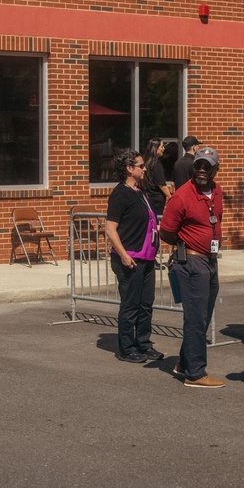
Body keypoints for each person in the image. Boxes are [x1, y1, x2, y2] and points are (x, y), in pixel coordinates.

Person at [160, 146, 225, 388]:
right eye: (198, 165)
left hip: (210, 260)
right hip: (191, 262)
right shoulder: (181, 196)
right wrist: (184, 247)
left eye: (207, 166)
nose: (201, 170)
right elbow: (166, 231)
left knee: (204, 315)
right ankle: (195, 374)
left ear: (215, 169)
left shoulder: (216, 191)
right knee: (196, 318)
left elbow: (216, 220)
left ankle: (185, 363)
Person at [105, 150, 163, 364]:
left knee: (146, 303)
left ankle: (144, 344)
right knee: (130, 304)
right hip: (130, 258)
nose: (144, 168)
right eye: (140, 165)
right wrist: (123, 254)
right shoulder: (121, 193)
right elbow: (111, 229)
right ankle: (126, 348)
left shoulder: (140, 192)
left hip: (146, 257)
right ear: (129, 168)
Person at [141, 138, 173, 215]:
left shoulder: (145, 161)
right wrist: (170, 197)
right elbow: (162, 184)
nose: (164, 149)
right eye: (162, 147)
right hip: (156, 201)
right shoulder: (156, 164)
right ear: (155, 148)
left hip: (146, 197)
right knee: (155, 222)